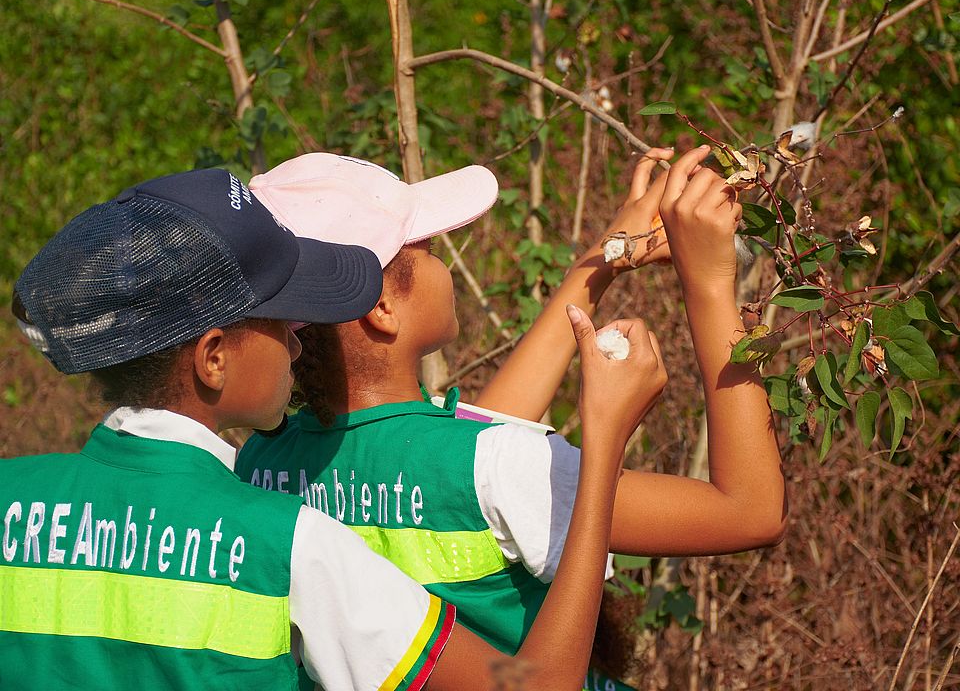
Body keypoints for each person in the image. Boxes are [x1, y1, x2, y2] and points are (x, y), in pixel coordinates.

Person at [1, 167, 667, 691]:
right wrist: (602, 438)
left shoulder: (12, 501)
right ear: (212, 358)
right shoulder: (288, 542)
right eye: (282, 318)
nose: (300, 338)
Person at [236, 146, 787, 677]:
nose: (443, 257)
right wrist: (710, 286)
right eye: (426, 248)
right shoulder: (491, 468)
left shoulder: (262, 462)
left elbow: (470, 465)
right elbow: (752, 510)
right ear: (382, 307)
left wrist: (605, 259)